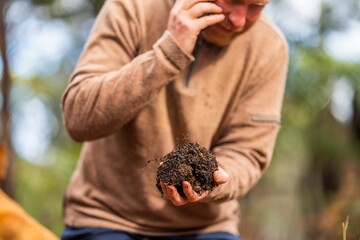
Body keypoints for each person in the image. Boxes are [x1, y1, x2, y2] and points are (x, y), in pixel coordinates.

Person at [60, 0, 288, 239]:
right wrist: (169, 52)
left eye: (256, 6)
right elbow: (78, 118)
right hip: (106, 218)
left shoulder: (269, 46)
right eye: (232, 0)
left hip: (205, 228)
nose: (239, 20)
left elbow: (247, 151)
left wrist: (214, 179)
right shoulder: (133, 7)